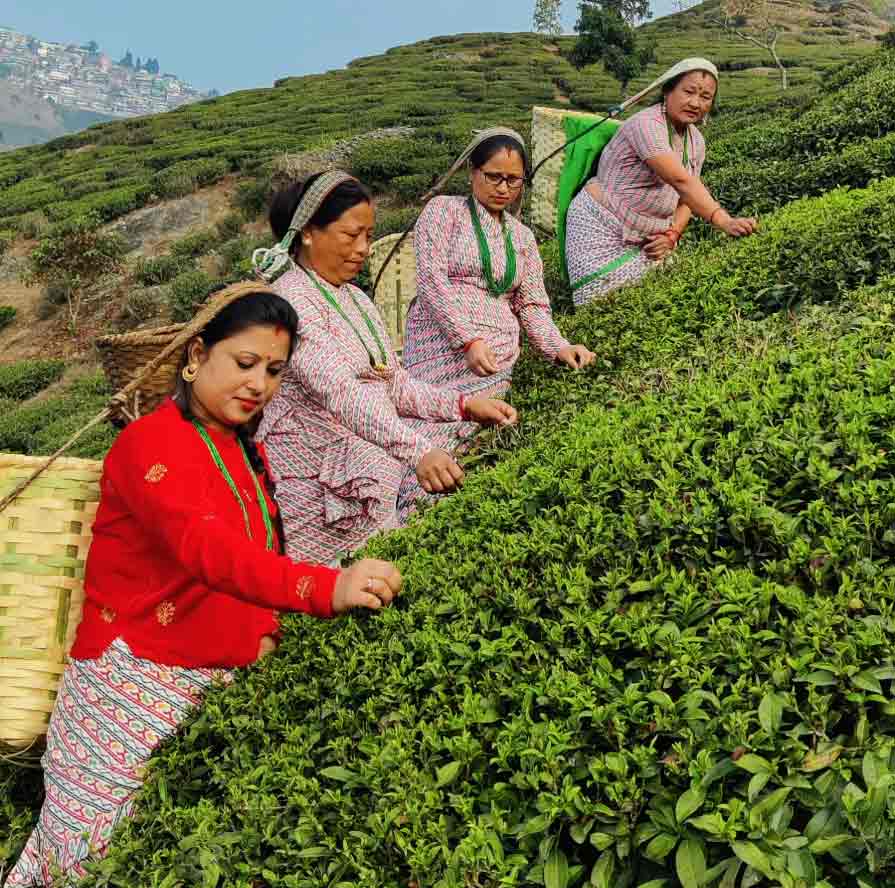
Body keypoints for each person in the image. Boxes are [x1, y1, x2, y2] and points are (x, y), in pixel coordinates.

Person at [6, 282, 402, 887]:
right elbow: (208, 551)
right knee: (80, 864)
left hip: (208, 683)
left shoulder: (242, 450)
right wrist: (325, 589)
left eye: (274, 371)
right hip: (131, 688)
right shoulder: (149, 443)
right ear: (196, 356)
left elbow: (256, 556)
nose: (258, 384)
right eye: (244, 363)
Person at [251, 171, 518, 566]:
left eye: (369, 236)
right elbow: (340, 392)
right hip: (318, 492)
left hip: (370, 478)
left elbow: (395, 384)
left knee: (383, 571)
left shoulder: (355, 299)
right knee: (333, 585)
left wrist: (463, 406)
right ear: (307, 233)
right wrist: (418, 451)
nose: (363, 248)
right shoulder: (291, 303)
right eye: (350, 235)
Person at [565, 58, 758, 307]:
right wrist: (724, 221)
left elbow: (687, 197)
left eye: (705, 97)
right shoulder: (645, 125)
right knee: (603, 306)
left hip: (649, 240)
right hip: (601, 228)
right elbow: (680, 180)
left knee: (666, 304)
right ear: (668, 90)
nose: (695, 103)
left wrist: (672, 234)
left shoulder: (696, 141)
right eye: (688, 92)